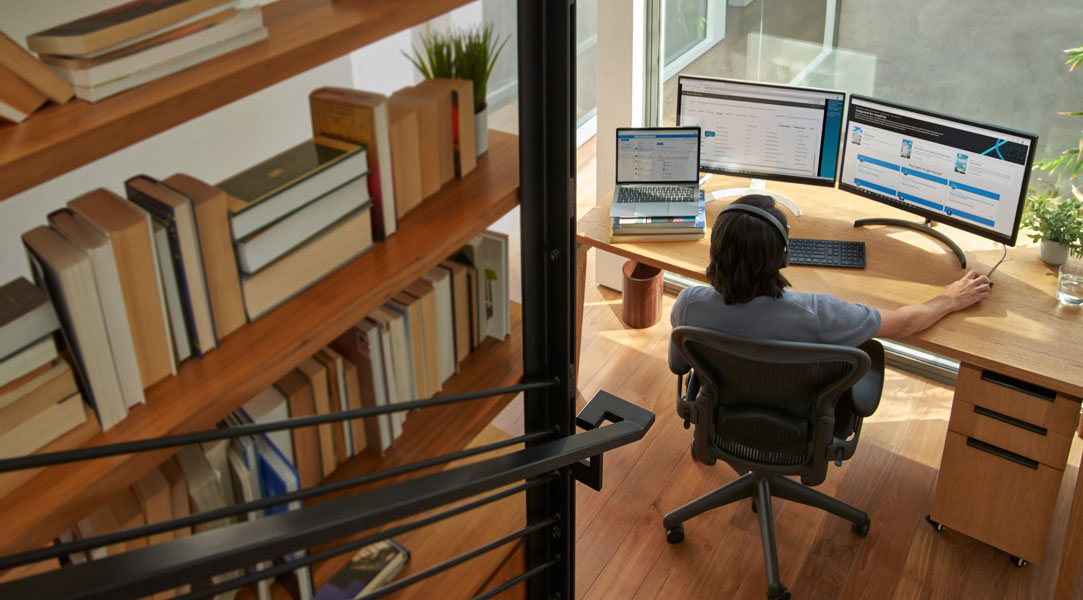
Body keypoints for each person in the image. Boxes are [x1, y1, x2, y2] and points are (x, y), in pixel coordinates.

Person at [671, 194, 991, 346]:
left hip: (726, 408)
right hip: (798, 414)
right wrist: (950, 298)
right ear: (783, 256)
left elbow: (682, 361)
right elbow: (904, 324)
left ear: (715, 250)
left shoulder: (688, 305)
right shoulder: (820, 313)